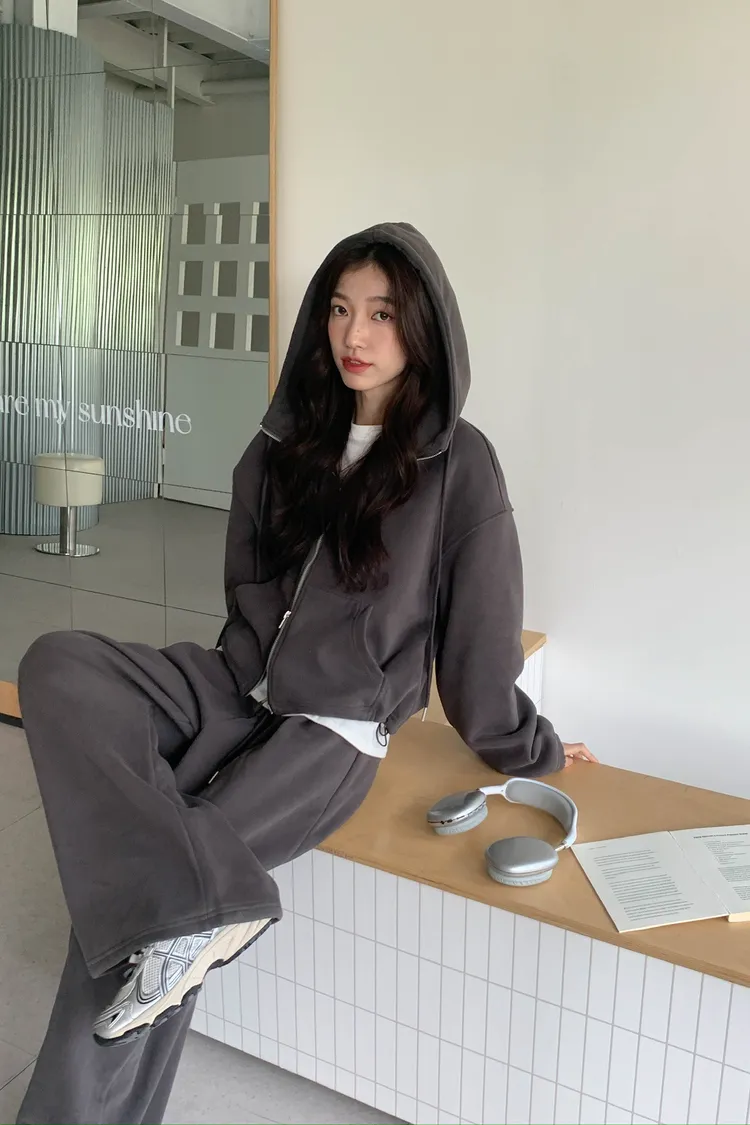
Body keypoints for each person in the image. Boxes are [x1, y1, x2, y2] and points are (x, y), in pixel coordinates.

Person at [16, 222, 596, 1124]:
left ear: (423, 327)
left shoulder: (460, 466)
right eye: (339, 309)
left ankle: (169, 941)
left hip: (332, 733)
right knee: (58, 664)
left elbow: (479, 646)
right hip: (232, 685)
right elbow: (246, 585)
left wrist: (534, 748)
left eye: (381, 314)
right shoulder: (285, 444)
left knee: (135, 932)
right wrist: (239, 672)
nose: (354, 335)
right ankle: (202, 903)